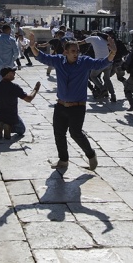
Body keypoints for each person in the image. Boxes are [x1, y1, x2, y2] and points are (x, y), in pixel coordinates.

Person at [28, 32, 117, 170]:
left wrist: (112, 53)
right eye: (73, 51)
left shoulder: (85, 62)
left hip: (77, 107)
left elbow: (101, 64)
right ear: (66, 52)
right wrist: (33, 47)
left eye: (77, 51)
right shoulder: (58, 60)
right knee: (59, 133)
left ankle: (91, 154)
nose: (76, 54)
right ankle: (63, 160)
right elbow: (42, 57)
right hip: (61, 105)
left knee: (75, 133)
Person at [0, 67, 40, 139]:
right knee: (21, 130)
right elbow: (29, 99)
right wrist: (36, 89)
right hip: (12, 118)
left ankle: (1, 126)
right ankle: (8, 126)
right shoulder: (14, 87)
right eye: (12, 73)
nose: (14, 74)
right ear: (7, 75)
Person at [81, 32, 116, 101]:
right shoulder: (104, 40)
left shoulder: (92, 38)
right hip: (108, 61)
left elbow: (80, 42)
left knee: (92, 76)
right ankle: (113, 95)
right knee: (107, 79)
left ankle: (103, 89)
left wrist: (70, 43)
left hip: (100, 62)